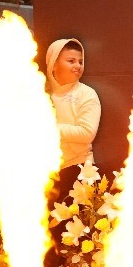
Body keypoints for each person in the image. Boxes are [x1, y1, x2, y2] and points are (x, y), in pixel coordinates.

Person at [45, 38, 102, 197]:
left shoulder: (87, 94)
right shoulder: (39, 91)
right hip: (44, 171)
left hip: (78, 170)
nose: (78, 65)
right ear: (54, 64)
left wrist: (48, 130)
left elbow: (86, 133)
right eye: (71, 61)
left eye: (80, 61)